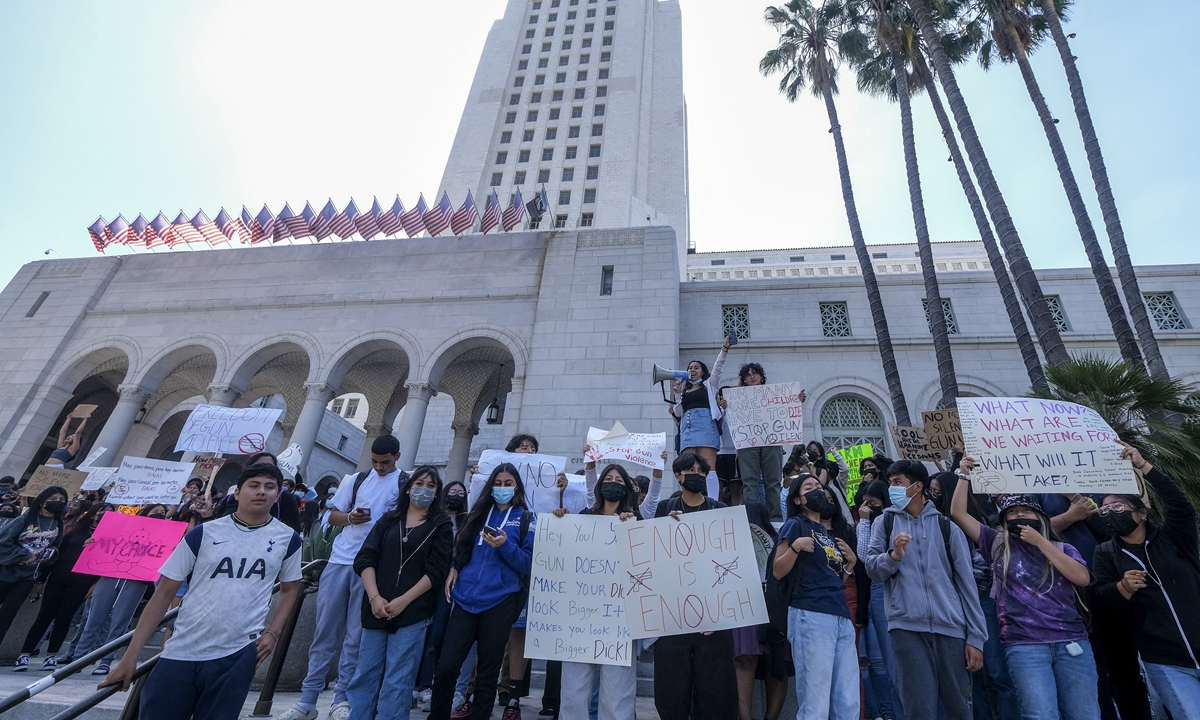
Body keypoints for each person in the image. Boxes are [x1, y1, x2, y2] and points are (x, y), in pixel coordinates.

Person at [99, 463, 301, 719]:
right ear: (237, 493)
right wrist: (131, 655)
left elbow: (290, 589)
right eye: (254, 485)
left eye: (269, 487)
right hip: (181, 650)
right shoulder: (203, 532)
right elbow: (163, 594)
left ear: (278, 495)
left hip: (236, 654)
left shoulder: (289, 539)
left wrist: (273, 633)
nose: (261, 492)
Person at [952, 460, 1099, 720]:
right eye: (1013, 512)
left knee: (1084, 713)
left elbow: (1082, 578)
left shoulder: (1063, 548)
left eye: (1026, 511)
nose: (1020, 516)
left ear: (1040, 517)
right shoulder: (996, 543)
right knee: (1040, 714)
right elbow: (959, 514)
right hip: (1024, 646)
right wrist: (963, 476)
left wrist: (1041, 540)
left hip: (1071, 642)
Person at [277, 435, 404, 720]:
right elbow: (331, 516)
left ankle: (340, 699)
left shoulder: (404, 483)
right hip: (340, 561)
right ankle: (307, 700)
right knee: (325, 632)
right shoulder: (357, 480)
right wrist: (350, 518)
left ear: (397, 456)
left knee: (356, 637)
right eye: (374, 461)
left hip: (374, 568)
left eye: (384, 462)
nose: (379, 467)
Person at [866, 460, 986, 720]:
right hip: (906, 629)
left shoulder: (947, 527)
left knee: (960, 710)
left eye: (898, 482)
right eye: (891, 483)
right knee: (918, 710)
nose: (892, 488)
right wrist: (894, 555)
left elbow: (967, 584)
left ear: (917, 486)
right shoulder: (884, 523)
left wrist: (976, 638)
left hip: (952, 630)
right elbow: (872, 569)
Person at [1092, 442, 1200, 720]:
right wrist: (1122, 588)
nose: (1110, 512)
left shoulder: (1174, 538)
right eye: (1105, 510)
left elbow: (1180, 505)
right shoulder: (1106, 553)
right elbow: (1102, 598)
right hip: (1164, 660)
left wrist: (1144, 466)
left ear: (1141, 512)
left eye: (1118, 505)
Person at [346, 466, 453, 720]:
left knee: (398, 679)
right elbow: (365, 559)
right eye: (419, 484)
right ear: (408, 488)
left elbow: (437, 572)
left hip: (413, 612)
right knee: (364, 675)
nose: (423, 490)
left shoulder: (441, 525)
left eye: (431, 486)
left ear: (437, 493)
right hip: (376, 607)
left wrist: (404, 601)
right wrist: (374, 597)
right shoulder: (388, 520)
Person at [429, 463, 535, 720]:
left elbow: (528, 563)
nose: (502, 488)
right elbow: (462, 548)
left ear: (517, 486)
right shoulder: (475, 514)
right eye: (497, 483)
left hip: (500, 603)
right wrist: (455, 567)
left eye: (508, 483)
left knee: (487, 674)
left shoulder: (527, 518)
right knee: (446, 667)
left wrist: (505, 545)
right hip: (465, 601)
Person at [550, 463, 641, 720]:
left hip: (619, 619)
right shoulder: (581, 517)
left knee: (617, 694)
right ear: (599, 486)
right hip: (581, 617)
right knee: (573, 691)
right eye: (608, 479)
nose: (613, 483)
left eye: (619, 480)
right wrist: (559, 523)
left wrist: (631, 527)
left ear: (627, 488)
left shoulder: (636, 520)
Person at [652, 452, 737, 720]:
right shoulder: (665, 509)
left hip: (713, 617)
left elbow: (733, 565)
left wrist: (720, 612)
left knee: (715, 690)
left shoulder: (720, 510)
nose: (696, 476)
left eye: (701, 472)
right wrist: (665, 528)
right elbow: (653, 556)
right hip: (674, 616)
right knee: (671, 688)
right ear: (678, 476)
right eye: (690, 471)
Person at [772, 475, 859, 719]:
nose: (817, 491)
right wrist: (795, 547)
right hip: (811, 614)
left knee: (847, 700)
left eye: (820, 487)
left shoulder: (827, 533)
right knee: (816, 702)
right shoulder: (795, 525)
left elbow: (831, 579)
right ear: (798, 499)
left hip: (840, 615)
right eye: (809, 488)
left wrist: (849, 565)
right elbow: (777, 570)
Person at [717, 473, 786, 720]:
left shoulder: (778, 543)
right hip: (753, 606)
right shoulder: (728, 542)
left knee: (765, 663)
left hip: (759, 607)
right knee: (757, 662)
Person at [14, 502, 113, 671]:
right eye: (101, 510)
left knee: (64, 619)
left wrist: (96, 583)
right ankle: (24, 655)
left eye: (110, 512)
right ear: (93, 513)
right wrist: (41, 580)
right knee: (44, 616)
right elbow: (56, 555)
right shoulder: (76, 531)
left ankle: (51, 655)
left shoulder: (110, 538)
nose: (104, 514)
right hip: (59, 578)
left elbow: (107, 563)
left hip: (82, 583)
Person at [74, 503, 169, 675]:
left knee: (120, 622)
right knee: (94, 618)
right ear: (146, 513)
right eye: (156, 511)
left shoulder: (166, 535)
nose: (159, 514)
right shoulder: (124, 528)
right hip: (109, 577)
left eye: (163, 512)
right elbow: (105, 543)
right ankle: (79, 658)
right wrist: (92, 545)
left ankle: (106, 661)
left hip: (136, 581)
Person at [854, 481, 902, 720]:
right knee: (876, 659)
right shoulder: (866, 524)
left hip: (891, 588)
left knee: (892, 661)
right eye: (865, 504)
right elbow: (864, 557)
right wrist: (863, 522)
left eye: (873, 504)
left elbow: (865, 556)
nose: (868, 508)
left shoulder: (893, 522)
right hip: (873, 592)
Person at [0, 486, 66, 647]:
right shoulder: (24, 519)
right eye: (54, 499)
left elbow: (57, 547)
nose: (57, 502)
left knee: (8, 612)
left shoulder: (58, 524)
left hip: (28, 576)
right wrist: (23, 555)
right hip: (6, 571)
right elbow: (3, 542)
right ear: (43, 500)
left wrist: (51, 553)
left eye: (62, 500)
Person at [670, 335, 730, 475]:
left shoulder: (710, 385)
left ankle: (711, 497)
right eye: (690, 368)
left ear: (703, 372)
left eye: (696, 368)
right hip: (688, 430)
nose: (692, 370)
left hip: (706, 427)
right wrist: (677, 394)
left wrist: (725, 348)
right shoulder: (685, 391)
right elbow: (678, 413)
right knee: (688, 466)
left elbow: (718, 367)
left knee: (709, 467)